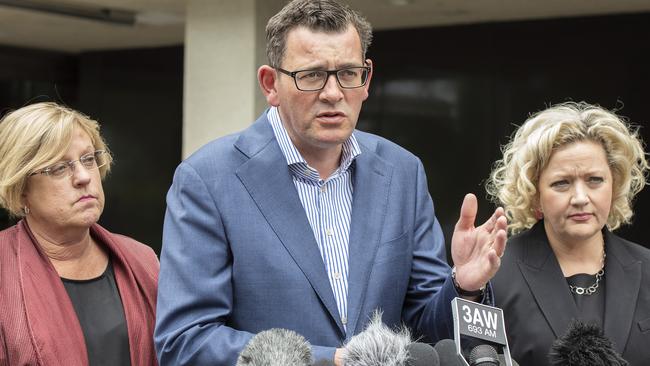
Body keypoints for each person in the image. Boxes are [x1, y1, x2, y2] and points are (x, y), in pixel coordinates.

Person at [154, 1, 507, 365]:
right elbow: (186, 341)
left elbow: (426, 331)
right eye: (311, 76)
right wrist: (332, 361)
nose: (333, 93)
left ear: (366, 79)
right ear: (270, 84)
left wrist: (464, 286)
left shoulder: (402, 171)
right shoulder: (208, 179)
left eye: (348, 73)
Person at [487, 102, 650, 365]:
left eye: (594, 180)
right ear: (535, 193)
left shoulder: (647, 268)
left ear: (615, 184)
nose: (580, 198)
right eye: (561, 183)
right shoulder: (495, 274)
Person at [0, 102, 159, 365]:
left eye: (88, 159)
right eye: (59, 167)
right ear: (21, 188)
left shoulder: (142, 260)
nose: (84, 176)